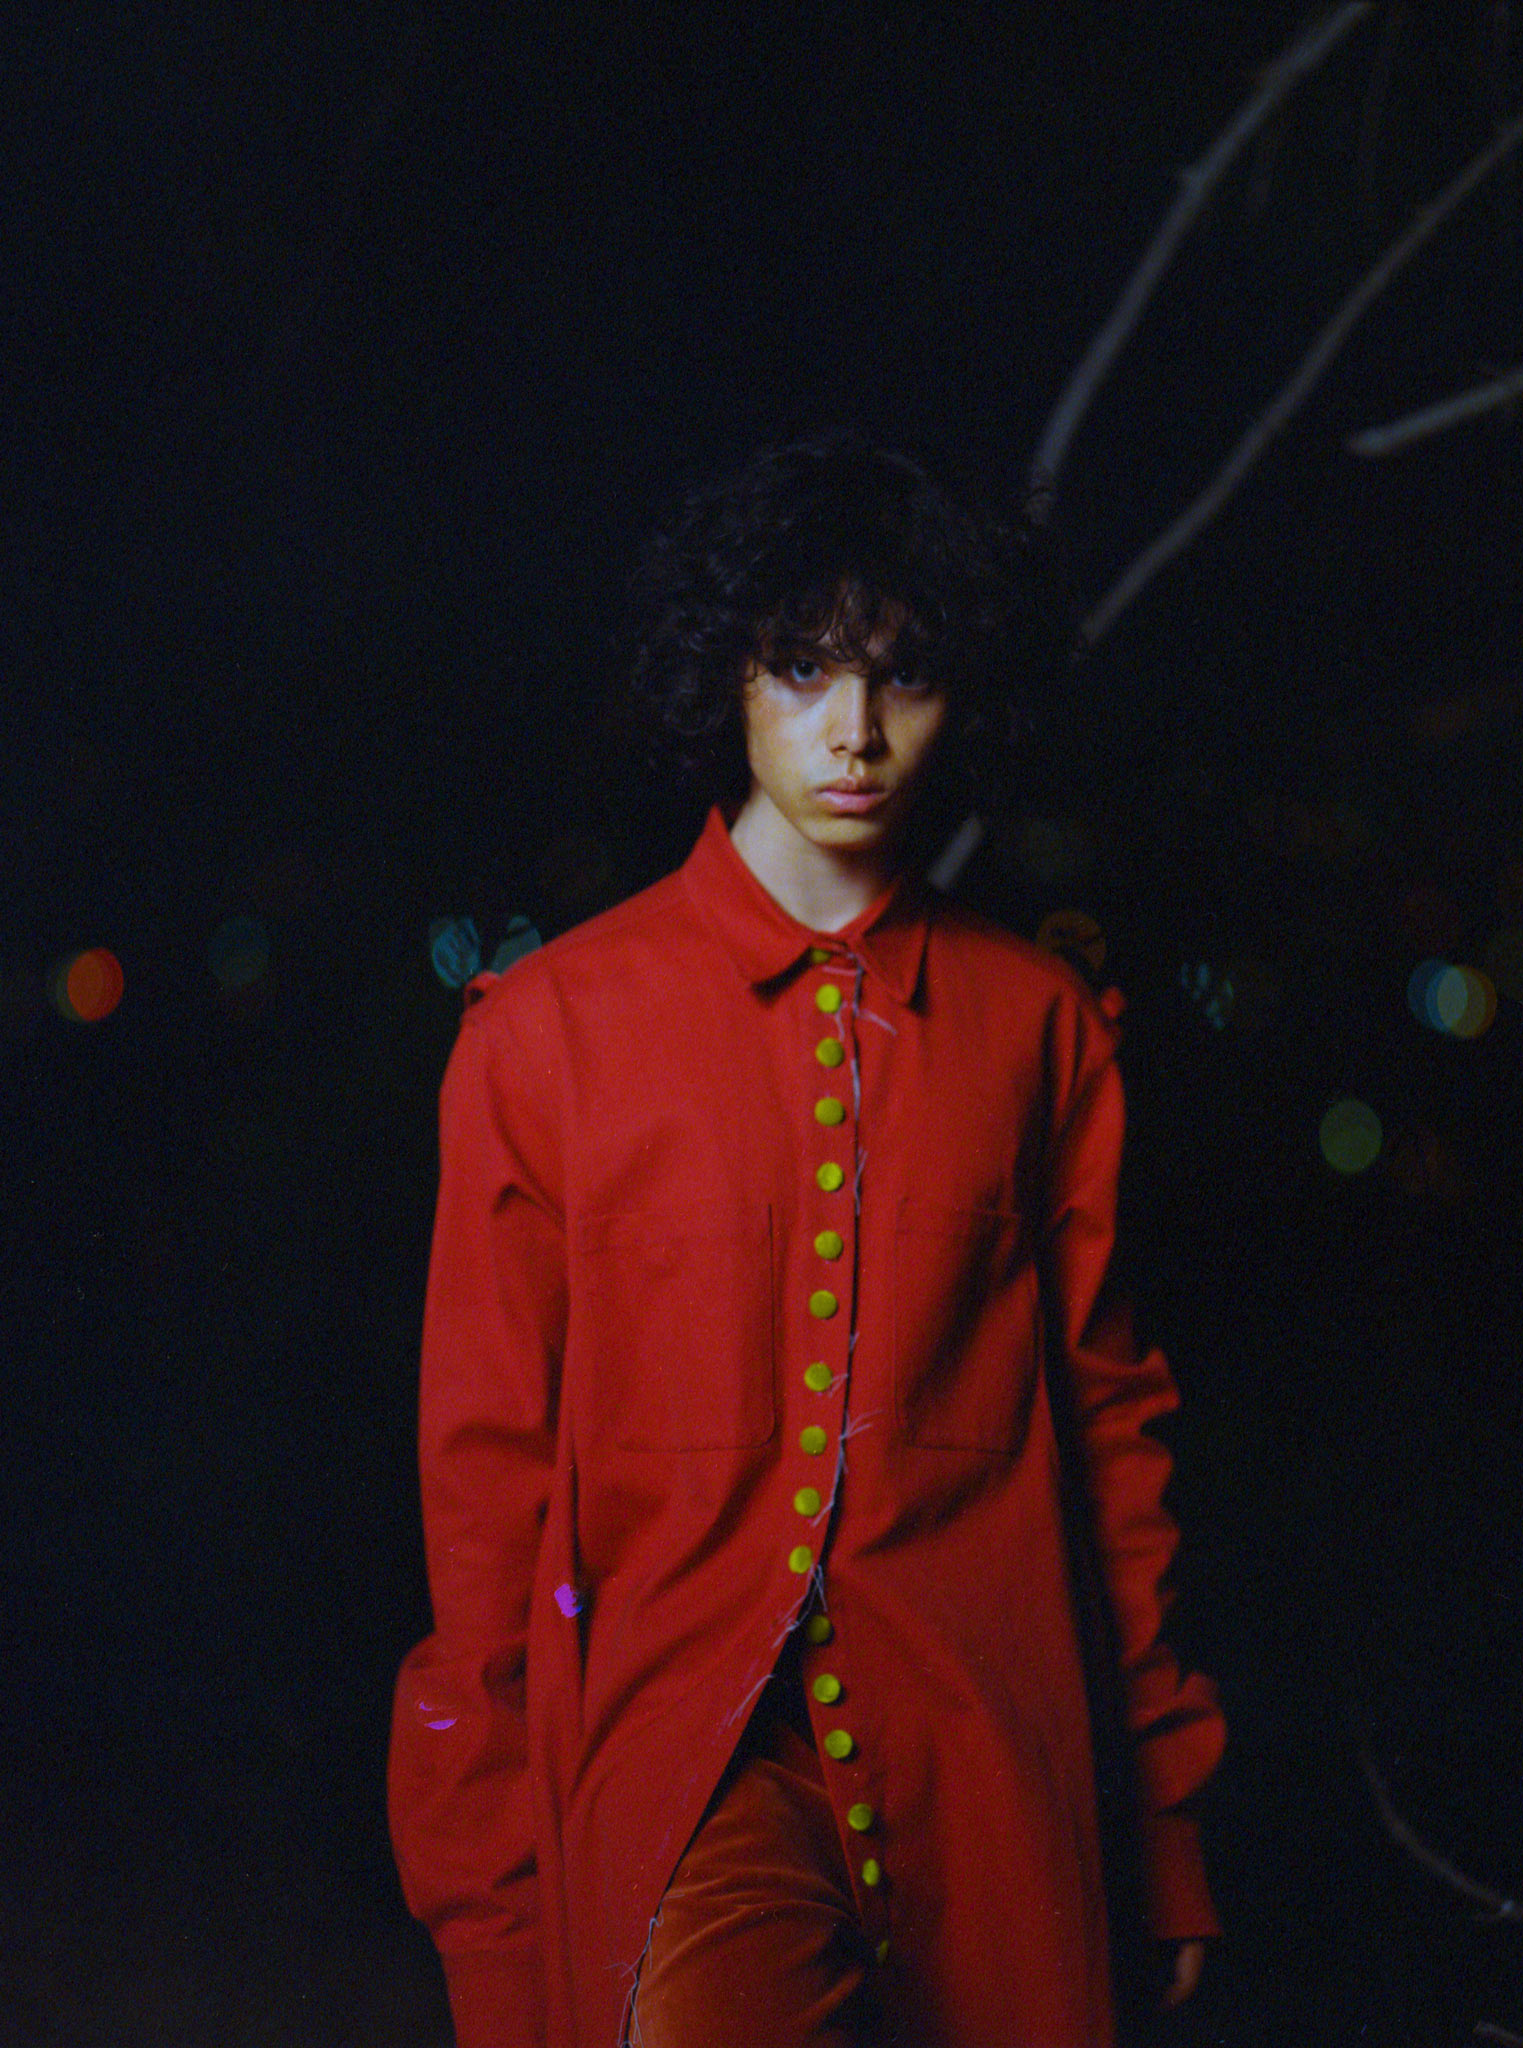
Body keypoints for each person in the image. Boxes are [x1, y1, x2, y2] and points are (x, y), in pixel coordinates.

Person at [388, 434, 1225, 2048]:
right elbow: (483, 1489)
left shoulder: (1038, 1028)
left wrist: (1162, 1831)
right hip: (684, 1769)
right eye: (800, 667)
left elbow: (1111, 1440)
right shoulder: (548, 1032)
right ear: (727, 675)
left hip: (991, 1772)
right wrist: (492, 1914)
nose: (853, 730)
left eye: (902, 676)